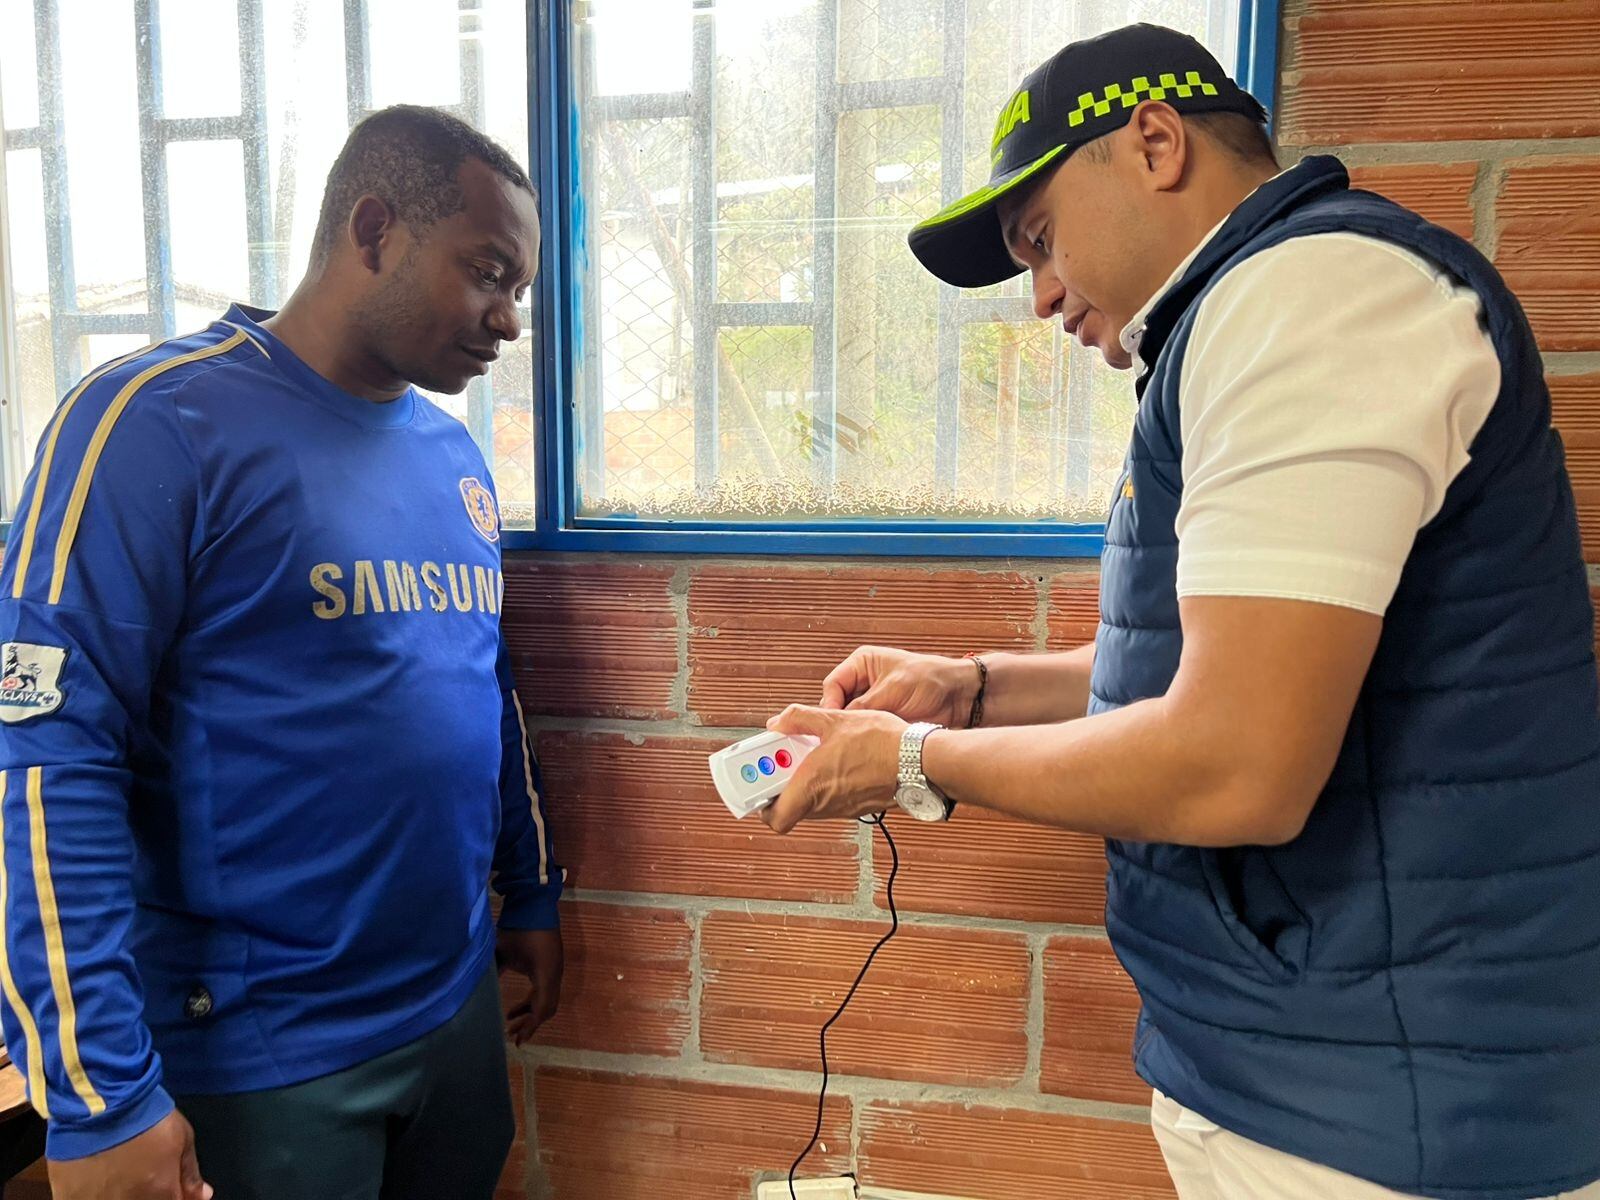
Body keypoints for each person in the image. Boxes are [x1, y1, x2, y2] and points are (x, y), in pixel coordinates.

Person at [759, 23, 1600, 1200]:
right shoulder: (1250, 314)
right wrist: (975, 686)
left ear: (1155, 143)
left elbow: (1235, 760)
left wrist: (907, 760)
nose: (1040, 297)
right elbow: (1227, 660)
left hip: (1383, 1107)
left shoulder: (1313, 299)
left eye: (1040, 239)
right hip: (1314, 1062)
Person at [0, 104, 562, 1200]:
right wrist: (98, 1097)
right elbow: (41, 757)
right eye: (489, 273)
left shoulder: (452, 458)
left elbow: (482, 692)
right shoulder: (153, 423)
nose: (508, 319)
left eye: (522, 291)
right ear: (374, 230)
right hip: (259, 1056)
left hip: (450, 1012)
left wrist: (530, 890)